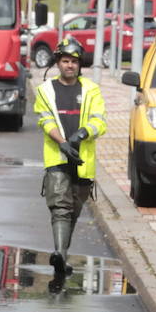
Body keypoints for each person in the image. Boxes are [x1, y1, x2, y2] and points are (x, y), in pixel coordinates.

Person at [33, 37, 107, 287]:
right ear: (57, 63)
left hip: (83, 161)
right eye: (65, 61)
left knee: (73, 210)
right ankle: (60, 254)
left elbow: (100, 121)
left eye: (74, 62)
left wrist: (81, 134)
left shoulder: (91, 90)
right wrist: (62, 141)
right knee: (60, 208)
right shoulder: (45, 90)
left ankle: (62, 255)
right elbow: (44, 120)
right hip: (57, 159)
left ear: (79, 64)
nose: (70, 66)